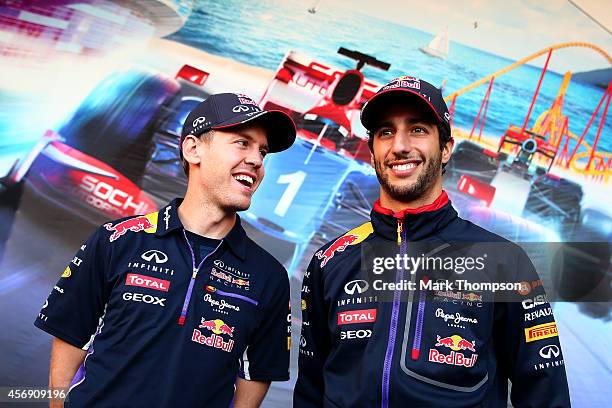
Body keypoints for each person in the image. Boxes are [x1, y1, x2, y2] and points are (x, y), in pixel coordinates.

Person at [293, 76, 571, 407]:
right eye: (386, 132)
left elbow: (544, 393)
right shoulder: (330, 260)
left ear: (446, 150)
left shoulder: (504, 262)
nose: (399, 145)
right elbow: (310, 388)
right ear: (373, 151)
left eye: (418, 130)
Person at [35, 92, 297, 408]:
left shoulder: (268, 276)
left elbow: (257, 372)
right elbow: (70, 335)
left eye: (263, 151)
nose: (256, 160)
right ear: (193, 148)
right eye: (242, 143)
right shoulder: (117, 239)